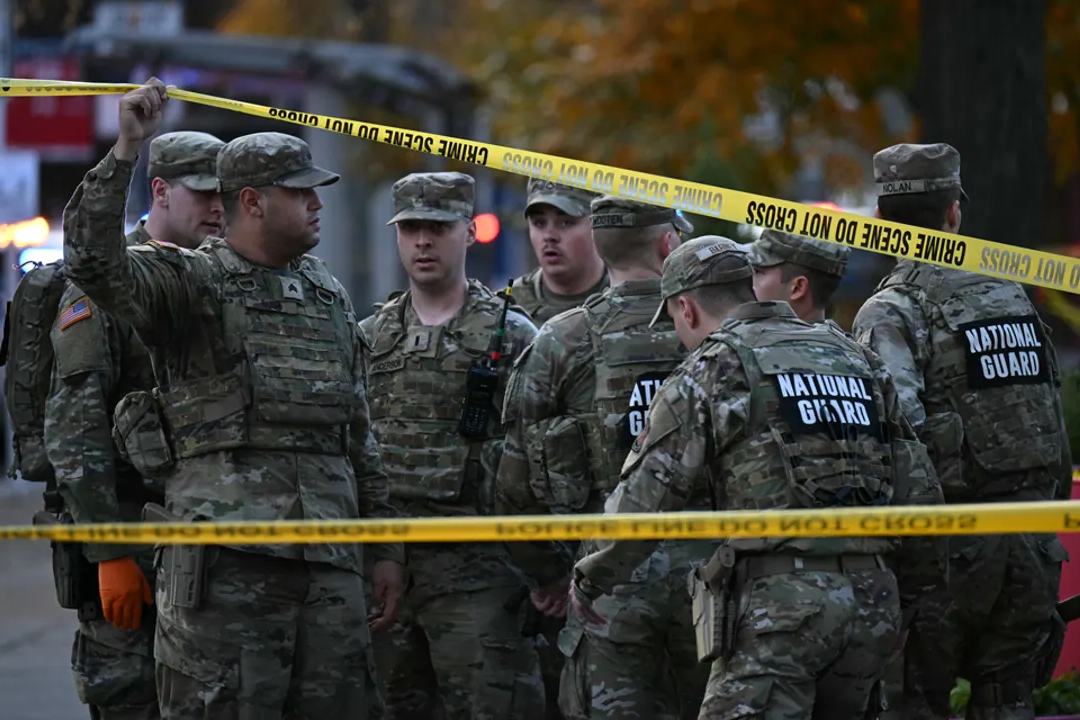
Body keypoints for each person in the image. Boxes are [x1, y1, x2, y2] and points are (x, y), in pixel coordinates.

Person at [60, 77, 405, 719]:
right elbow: (92, 264)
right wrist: (126, 151)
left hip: (329, 567)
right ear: (252, 201)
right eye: (300, 192)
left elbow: (358, 431)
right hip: (227, 571)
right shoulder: (189, 282)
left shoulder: (327, 294)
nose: (316, 205)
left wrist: (382, 548)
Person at [573, 235, 944, 719]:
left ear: (685, 309)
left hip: (781, 613)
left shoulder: (715, 364)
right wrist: (908, 602)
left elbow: (647, 496)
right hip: (872, 601)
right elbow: (920, 489)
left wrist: (590, 576)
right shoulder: (854, 356)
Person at [852, 142, 1071, 720]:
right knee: (1009, 703)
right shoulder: (1011, 296)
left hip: (948, 552)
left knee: (914, 706)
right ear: (954, 213)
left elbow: (898, 440)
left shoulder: (892, 309)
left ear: (881, 224)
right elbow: (1047, 418)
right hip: (1032, 542)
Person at [496, 196, 706, 719]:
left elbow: (513, 481)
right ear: (668, 244)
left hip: (602, 584)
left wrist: (550, 573)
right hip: (710, 585)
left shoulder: (560, 340)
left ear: (598, 244)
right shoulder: (710, 329)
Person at [43, 130, 223, 720]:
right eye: (203, 194)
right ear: (162, 191)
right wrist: (108, 552)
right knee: (132, 700)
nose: (218, 207)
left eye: (225, 193)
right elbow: (74, 428)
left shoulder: (210, 279)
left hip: (202, 545)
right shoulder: (103, 293)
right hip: (132, 536)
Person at [359, 170, 545, 719]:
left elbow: (534, 455)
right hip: (385, 570)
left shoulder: (511, 334)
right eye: (411, 228)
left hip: (479, 574)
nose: (422, 241)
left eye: (438, 227)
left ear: (468, 232)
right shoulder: (370, 335)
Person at [510, 179, 609, 324]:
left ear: (598, 224)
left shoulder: (629, 303)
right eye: (539, 223)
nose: (549, 236)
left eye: (566, 222)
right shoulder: (508, 309)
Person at [743, 229, 851, 324]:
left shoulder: (744, 343)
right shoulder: (843, 346)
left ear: (797, 288)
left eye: (757, 272)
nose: (746, 280)